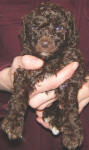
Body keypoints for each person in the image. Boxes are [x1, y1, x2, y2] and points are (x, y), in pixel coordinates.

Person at [0, 0, 89, 150]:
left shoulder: (69, 57)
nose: (45, 40)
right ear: (25, 33)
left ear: (71, 34)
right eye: (36, 27)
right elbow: (20, 82)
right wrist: (6, 79)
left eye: (58, 28)